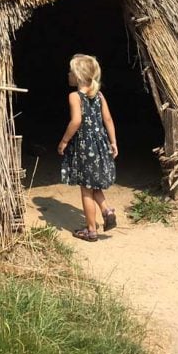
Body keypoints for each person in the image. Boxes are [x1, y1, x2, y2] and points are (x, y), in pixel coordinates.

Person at [57, 54, 119, 242]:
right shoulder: (99, 95)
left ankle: (91, 230)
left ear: (78, 75)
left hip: (85, 148)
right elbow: (108, 119)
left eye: (70, 71)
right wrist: (113, 142)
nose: (68, 74)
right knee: (95, 184)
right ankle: (107, 211)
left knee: (86, 189)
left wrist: (64, 141)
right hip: (100, 145)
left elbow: (76, 121)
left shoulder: (75, 96)